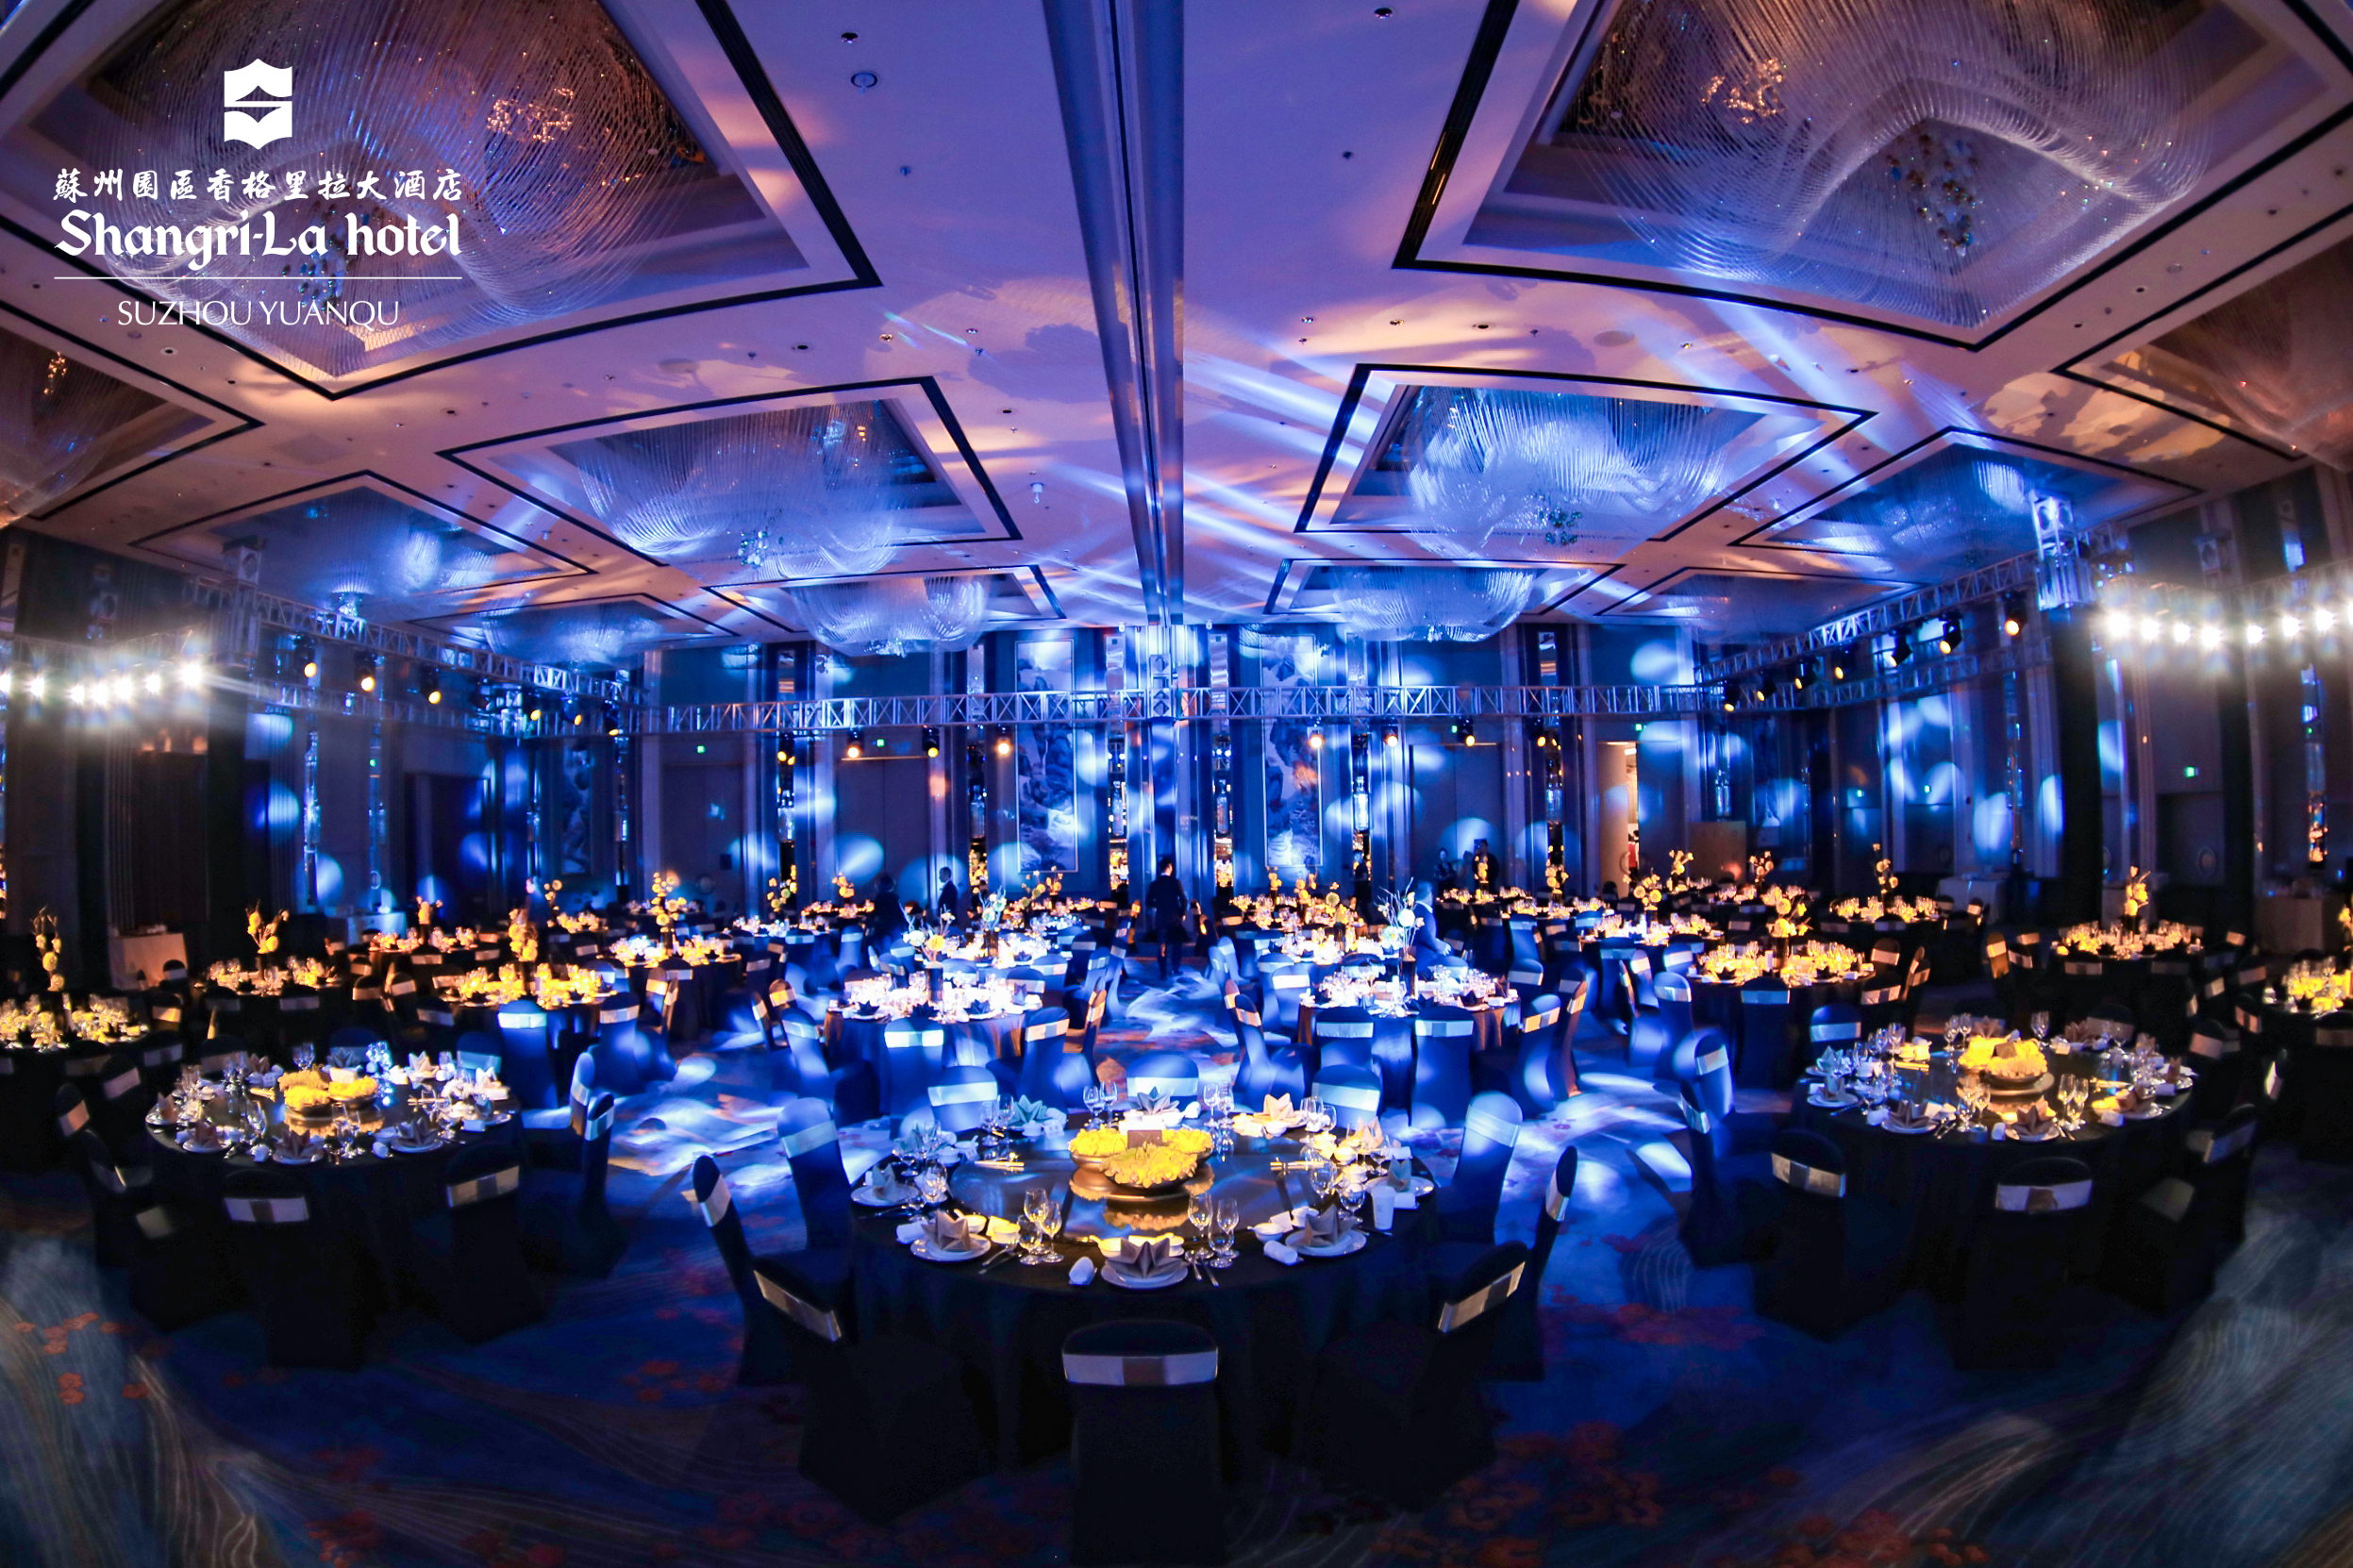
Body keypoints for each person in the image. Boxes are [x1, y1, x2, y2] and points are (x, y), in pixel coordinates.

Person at [1145, 856, 1188, 982]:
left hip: (1161, 918)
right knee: (1176, 944)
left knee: (1162, 945)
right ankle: (1175, 968)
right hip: (1175, 917)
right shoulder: (1175, 883)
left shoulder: (1154, 884)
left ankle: (1163, 972)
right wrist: (1182, 913)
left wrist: (1158, 905)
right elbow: (1183, 900)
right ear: (1169, 867)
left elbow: (1148, 902)